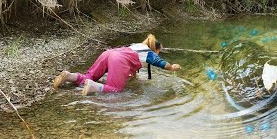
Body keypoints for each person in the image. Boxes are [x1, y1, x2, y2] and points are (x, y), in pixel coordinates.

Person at [53, 33, 181, 95]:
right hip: (118, 59)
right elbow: (161, 63)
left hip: (109, 53)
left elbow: (129, 63)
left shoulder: (136, 46)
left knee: (89, 76)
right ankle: (92, 87)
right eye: (160, 51)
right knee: (115, 89)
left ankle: (69, 76)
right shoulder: (149, 53)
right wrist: (172, 67)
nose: (159, 54)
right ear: (156, 49)